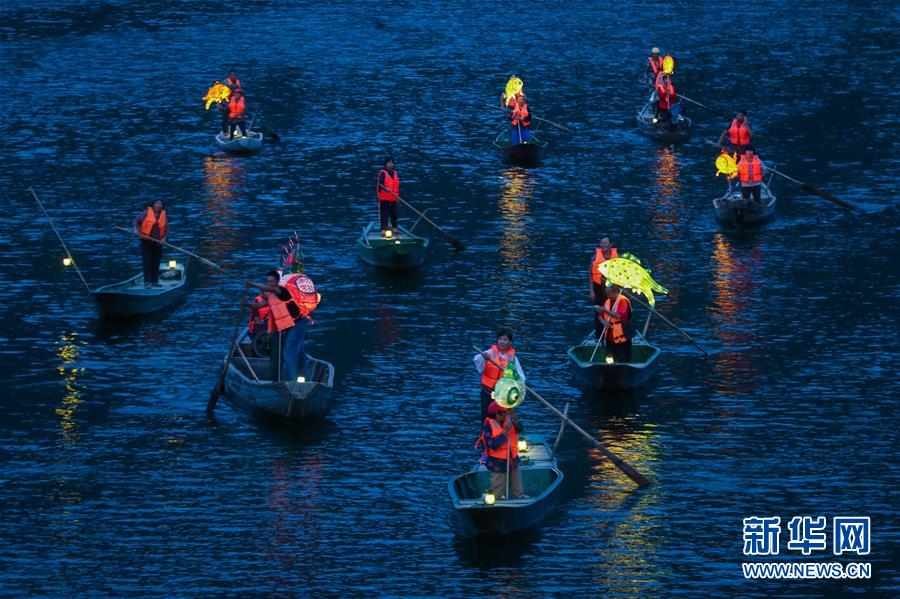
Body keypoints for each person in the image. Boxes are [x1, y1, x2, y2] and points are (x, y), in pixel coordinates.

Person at [244, 268, 319, 382]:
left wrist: (251, 284)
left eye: (272, 281)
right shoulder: (271, 296)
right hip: (288, 327)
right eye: (268, 281)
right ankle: (308, 379)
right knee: (299, 354)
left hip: (298, 324)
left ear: (277, 282)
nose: (269, 284)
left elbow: (270, 289)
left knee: (288, 354)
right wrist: (245, 304)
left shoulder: (282, 291)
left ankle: (292, 382)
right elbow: (258, 306)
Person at [475, 401, 526, 499]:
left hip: (513, 460)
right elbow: (492, 444)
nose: (506, 414)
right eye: (504, 413)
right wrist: (504, 432)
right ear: (497, 414)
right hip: (497, 463)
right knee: (497, 493)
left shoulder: (509, 419)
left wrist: (515, 420)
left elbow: (520, 429)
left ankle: (519, 500)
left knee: (518, 492)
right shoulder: (488, 425)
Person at [474, 330, 526, 422]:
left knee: (502, 417)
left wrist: (514, 378)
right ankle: (486, 430)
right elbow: (477, 360)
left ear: (510, 342)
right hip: (488, 390)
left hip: (503, 393)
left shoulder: (513, 359)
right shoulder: (489, 353)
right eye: (500, 339)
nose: (502, 342)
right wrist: (483, 357)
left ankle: (501, 430)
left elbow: (521, 377)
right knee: (486, 416)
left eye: (505, 340)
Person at [589, 235, 619, 339]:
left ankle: (614, 334)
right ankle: (599, 337)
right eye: (601, 243)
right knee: (599, 311)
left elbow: (622, 273)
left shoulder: (617, 257)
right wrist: (592, 291)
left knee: (613, 310)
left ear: (611, 245)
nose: (603, 245)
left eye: (605, 243)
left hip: (613, 289)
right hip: (598, 288)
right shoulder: (595, 257)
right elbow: (590, 274)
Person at [131, 199, 167, 287]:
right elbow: (135, 221)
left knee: (156, 261)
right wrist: (135, 230)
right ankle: (147, 282)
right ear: (153, 204)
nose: (159, 205)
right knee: (147, 261)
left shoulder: (163, 215)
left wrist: (164, 239)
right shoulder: (146, 212)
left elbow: (166, 228)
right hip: (146, 240)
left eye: (160, 204)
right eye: (157, 203)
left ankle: (155, 281)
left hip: (158, 242)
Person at [594, 283, 632, 363]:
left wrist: (605, 310)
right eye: (606, 293)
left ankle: (623, 367)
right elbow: (600, 316)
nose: (607, 296)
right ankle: (610, 367)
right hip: (609, 338)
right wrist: (604, 322)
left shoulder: (623, 301)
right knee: (609, 360)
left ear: (615, 292)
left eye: (609, 294)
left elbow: (618, 315)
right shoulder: (607, 301)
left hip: (622, 338)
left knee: (623, 360)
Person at [375, 157, 400, 237]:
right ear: (385, 164)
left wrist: (398, 197)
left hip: (393, 197)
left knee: (394, 214)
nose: (390, 164)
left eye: (392, 163)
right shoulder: (383, 173)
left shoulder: (395, 173)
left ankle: (394, 228)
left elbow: (397, 187)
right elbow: (380, 184)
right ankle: (383, 230)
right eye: (388, 163)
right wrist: (386, 189)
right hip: (384, 198)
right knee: (384, 214)